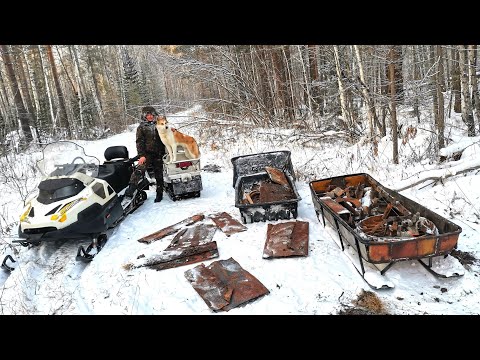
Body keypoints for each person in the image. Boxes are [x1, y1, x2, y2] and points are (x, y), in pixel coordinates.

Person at [126, 106, 165, 203]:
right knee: (139, 169)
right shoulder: (141, 127)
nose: (150, 116)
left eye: (151, 114)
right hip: (147, 154)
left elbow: (167, 132)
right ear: (144, 116)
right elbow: (139, 142)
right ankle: (131, 189)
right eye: (148, 115)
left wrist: (172, 130)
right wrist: (141, 155)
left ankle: (159, 194)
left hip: (159, 153)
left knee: (159, 174)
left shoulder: (159, 123)